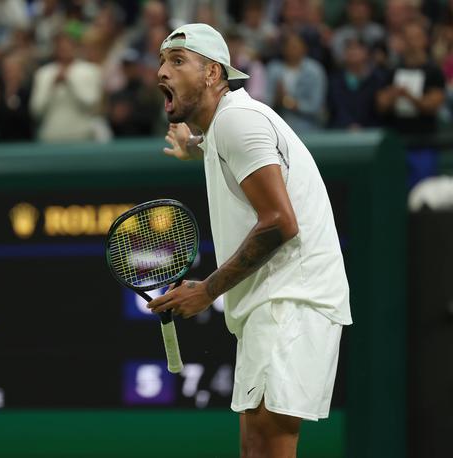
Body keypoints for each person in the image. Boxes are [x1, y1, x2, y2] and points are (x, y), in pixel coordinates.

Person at [148, 24, 351, 457]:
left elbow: (280, 223)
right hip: (276, 303)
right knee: (255, 449)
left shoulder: (239, 122)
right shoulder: (228, 125)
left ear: (213, 74)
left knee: (267, 448)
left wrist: (206, 291)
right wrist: (197, 148)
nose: (162, 71)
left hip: (290, 301)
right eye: (162, 61)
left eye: (178, 61)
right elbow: (238, 154)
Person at [29, 32, 103, 142]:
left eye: (68, 46)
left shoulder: (90, 71)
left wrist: (70, 82)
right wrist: (51, 87)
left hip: (81, 135)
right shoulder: (44, 73)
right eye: (60, 47)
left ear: (75, 48)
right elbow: (36, 110)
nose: (64, 50)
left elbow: (92, 104)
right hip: (51, 136)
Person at [266, 32, 327, 132]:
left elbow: (316, 106)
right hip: (278, 128)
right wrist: (276, 100)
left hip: (308, 128)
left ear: (304, 48)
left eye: (296, 46)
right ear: (283, 49)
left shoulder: (314, 70)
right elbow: (265, 101)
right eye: (289, 46)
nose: (292, 50)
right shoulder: (273, 69)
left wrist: (289, 103)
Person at [327, 37, 386, 129]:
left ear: (367, 53)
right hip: (341, 130)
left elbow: (379, 109)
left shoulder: (378, 79)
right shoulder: (335, 80)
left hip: (371, 130)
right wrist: (349, 124)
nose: (353, 52)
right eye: (349, 48)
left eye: (357, 48)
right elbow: (336, 108)